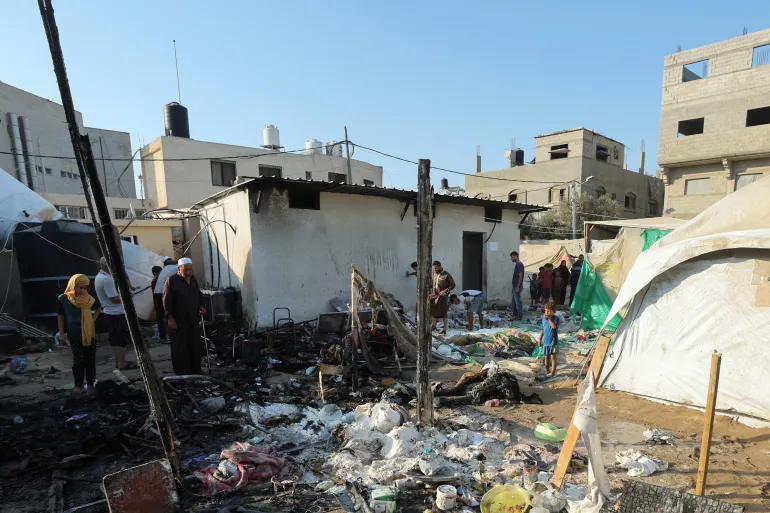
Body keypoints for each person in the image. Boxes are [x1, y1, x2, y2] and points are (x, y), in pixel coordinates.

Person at [57, 274, 102, 395]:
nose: (83, 290)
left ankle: (91, 385)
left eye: (85, 288)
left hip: (89, 333)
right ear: (73, 285)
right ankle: (78, 385)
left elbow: (98, 308)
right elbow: (60, 317)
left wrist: (93, 318)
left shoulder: (88, 298)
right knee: (78, 361)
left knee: (90, 360)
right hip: (74, 334)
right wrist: (62, 333)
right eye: (80, 287)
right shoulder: (63, 299)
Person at [163, 257, 206, 375]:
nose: (188, 272)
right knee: (180, 347)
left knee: (194, 345)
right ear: (179, 268)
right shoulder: (171, 280)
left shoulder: (193, 279)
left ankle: (196, 370)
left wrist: (201, 306)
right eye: (186, 270)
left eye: (190, 270)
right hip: (178, 320)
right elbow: (167, 300)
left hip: (192, 319)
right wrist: (170, 318)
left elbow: (197, 293)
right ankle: (182, 372)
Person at [95, 257, 137, 370]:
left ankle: (119, 362)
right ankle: (122, 364)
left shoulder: (99, 277)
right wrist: (128, 297)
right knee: (120, 340)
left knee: (114, 340)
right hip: (116, 313)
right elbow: (114, 298)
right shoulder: (107, 279)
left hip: (109, 313)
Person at [430, 261, 455, 336]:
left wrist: (445, 290)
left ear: (440, 266)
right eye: (434, 268)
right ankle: (434, 325)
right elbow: (434, 284)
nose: (435, 270)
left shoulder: (446, 275)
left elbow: (453, 285)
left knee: (444, 312)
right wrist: (432, 292)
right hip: (435, 295)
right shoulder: (435, 273)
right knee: (432, 309)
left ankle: (444, 330)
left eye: (436, 268)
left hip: (443, 296)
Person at [153, 257, 176, 340]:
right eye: (170, 259)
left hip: (158, 293)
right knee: (168, 314)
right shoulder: (174, 267)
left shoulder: (166, 269)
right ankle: (169, 335)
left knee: (161, 316)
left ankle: (163, 336)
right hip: (162, 294)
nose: (172, 259)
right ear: (167, 262)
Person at [539, 301, 560, 377]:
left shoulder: (556, 318)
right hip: (546, 342)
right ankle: (547, 371)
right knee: (546, 358)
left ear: (554, 312)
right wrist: (540, 339)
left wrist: (549, 319)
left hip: (553, 342)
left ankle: (553, 373)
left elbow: (554, 326)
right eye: (545, 310)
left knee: (553, 357)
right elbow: (542, 329)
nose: (546, 312)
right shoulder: (543, 318)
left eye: (549, 311)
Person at [510, 251, 525, 321]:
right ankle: (515, 315)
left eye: (512, 257)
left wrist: (518, 287)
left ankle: (520, 316)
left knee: (518, 302)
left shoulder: (519, 265)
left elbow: (520, 276)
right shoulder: (517, 265)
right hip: (514, 286)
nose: (511, 259)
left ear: (516, 256)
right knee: (513, 303)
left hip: (517, 286)